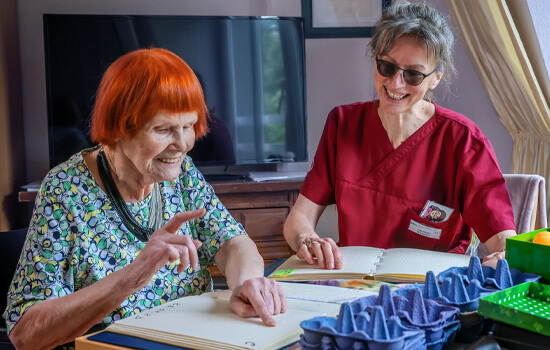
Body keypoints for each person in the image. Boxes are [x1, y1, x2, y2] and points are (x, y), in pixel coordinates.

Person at [4, 48, 286, 350]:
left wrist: (246, 284)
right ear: (118, 128)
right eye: (163, 130)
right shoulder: (64, 190)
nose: (182, 145)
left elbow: (234, 243)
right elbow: (26, 333)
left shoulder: (183, 174)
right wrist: (132, 276)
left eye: (188, 126)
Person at [283, 1, 516, 271]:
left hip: (432, 288)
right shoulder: (343, 125)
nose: (395, 83)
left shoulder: (463, 141)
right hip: (354, 282)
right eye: (387, 67)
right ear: (375, 60)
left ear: (435, 78)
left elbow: (502, 236)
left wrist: (505, 255)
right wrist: (307, 238)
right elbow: (298, 218)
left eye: (413, 75)